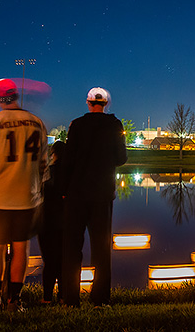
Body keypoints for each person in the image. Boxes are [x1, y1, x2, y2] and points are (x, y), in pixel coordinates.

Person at [0, 78, 48, 313]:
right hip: (27, 197)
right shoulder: (37, 123)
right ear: (16, 96)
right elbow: (43, 165)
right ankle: (14, 300)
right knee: (21, 249)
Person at [59, 87, 127, 307]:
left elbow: (67, 161)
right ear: (105, 104)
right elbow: (121, 159)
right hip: (103, 193)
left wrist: (63, 190)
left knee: (72, 247)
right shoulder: (115, 125)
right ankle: (100, 299)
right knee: (101, 248)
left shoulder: (77, 125)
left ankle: (71, 299)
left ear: (88, 103)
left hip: (77, 193)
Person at [38, 140, 66, 304]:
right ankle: (63, 295)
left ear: (52, 154)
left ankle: (47, 296)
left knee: (49, 261)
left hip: (47, 221)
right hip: (65, 221)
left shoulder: (47, 173)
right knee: (63, 260)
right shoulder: (71, 174)